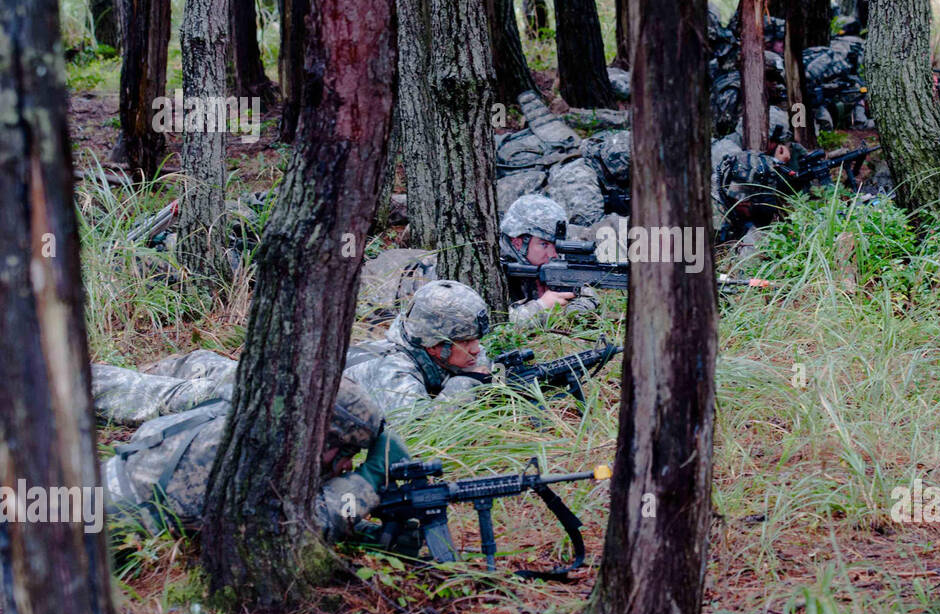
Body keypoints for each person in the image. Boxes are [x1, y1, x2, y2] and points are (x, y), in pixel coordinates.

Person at [102, 377, 411, 542]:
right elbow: (294, 535)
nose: (346, 466)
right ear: (318, 438)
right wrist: (369, 479)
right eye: (345, 453)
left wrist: (370, 533)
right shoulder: (252, 452)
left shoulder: (262, 422)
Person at [344, 279, 491, 414]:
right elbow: (420, 432)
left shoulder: (444, 350)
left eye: (476, 339)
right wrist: (464, 384)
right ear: (432, 346)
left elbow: (483, 364)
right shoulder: (391, 372)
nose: (476, 349)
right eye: (465, 342)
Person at [498, 194, 599, 328]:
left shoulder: (550, 260)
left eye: (556, 244)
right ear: (517, 242)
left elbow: (587, 294)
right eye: (544, 244)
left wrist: (576, 309)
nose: (554, 254)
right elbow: (496, 324)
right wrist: (542, 306)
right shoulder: (493, 269)